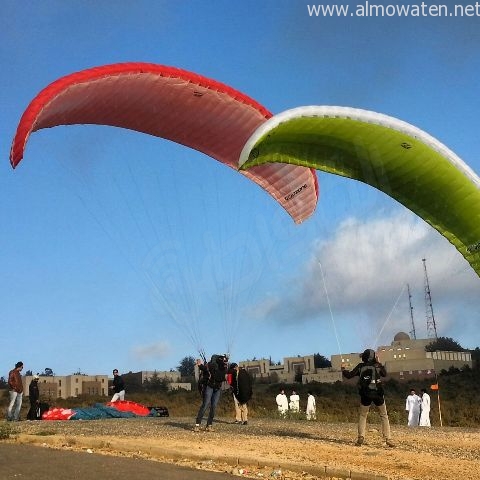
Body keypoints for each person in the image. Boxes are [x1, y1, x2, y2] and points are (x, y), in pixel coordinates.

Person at [342, 349, 395, 447]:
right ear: (374, 357)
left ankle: (361, 437)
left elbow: (349, 376)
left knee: (363, 415)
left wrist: (343, 369)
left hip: (365, 394)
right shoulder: (377, 365)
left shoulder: (360, 366)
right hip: (378, 393)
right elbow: (384, 374)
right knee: (384, 415)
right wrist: (379, 362)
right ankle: (388, 438)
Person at [194, 354, 227, 431]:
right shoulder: (211, 366)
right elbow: (205, 368)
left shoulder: (224, 368)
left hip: (217, 388)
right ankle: (197, 424)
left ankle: (209, 425)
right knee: (205, 405)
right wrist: (199, 365)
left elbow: (223, 376)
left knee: (214, 407)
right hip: (210, 387)